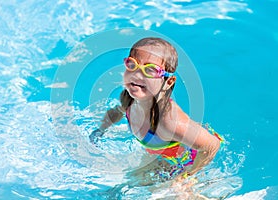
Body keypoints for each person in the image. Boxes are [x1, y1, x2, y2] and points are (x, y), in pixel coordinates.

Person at [89, 37, 223, 184]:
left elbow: (211, 145)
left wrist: (188, 176)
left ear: (168, 82)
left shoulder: (169, 122)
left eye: (150, 70)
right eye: (132, 65)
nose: (137, 74)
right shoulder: (128, 99)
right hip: (163, 153)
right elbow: (117, 112)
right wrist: (100, 130)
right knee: (129, 183)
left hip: (189, 157)